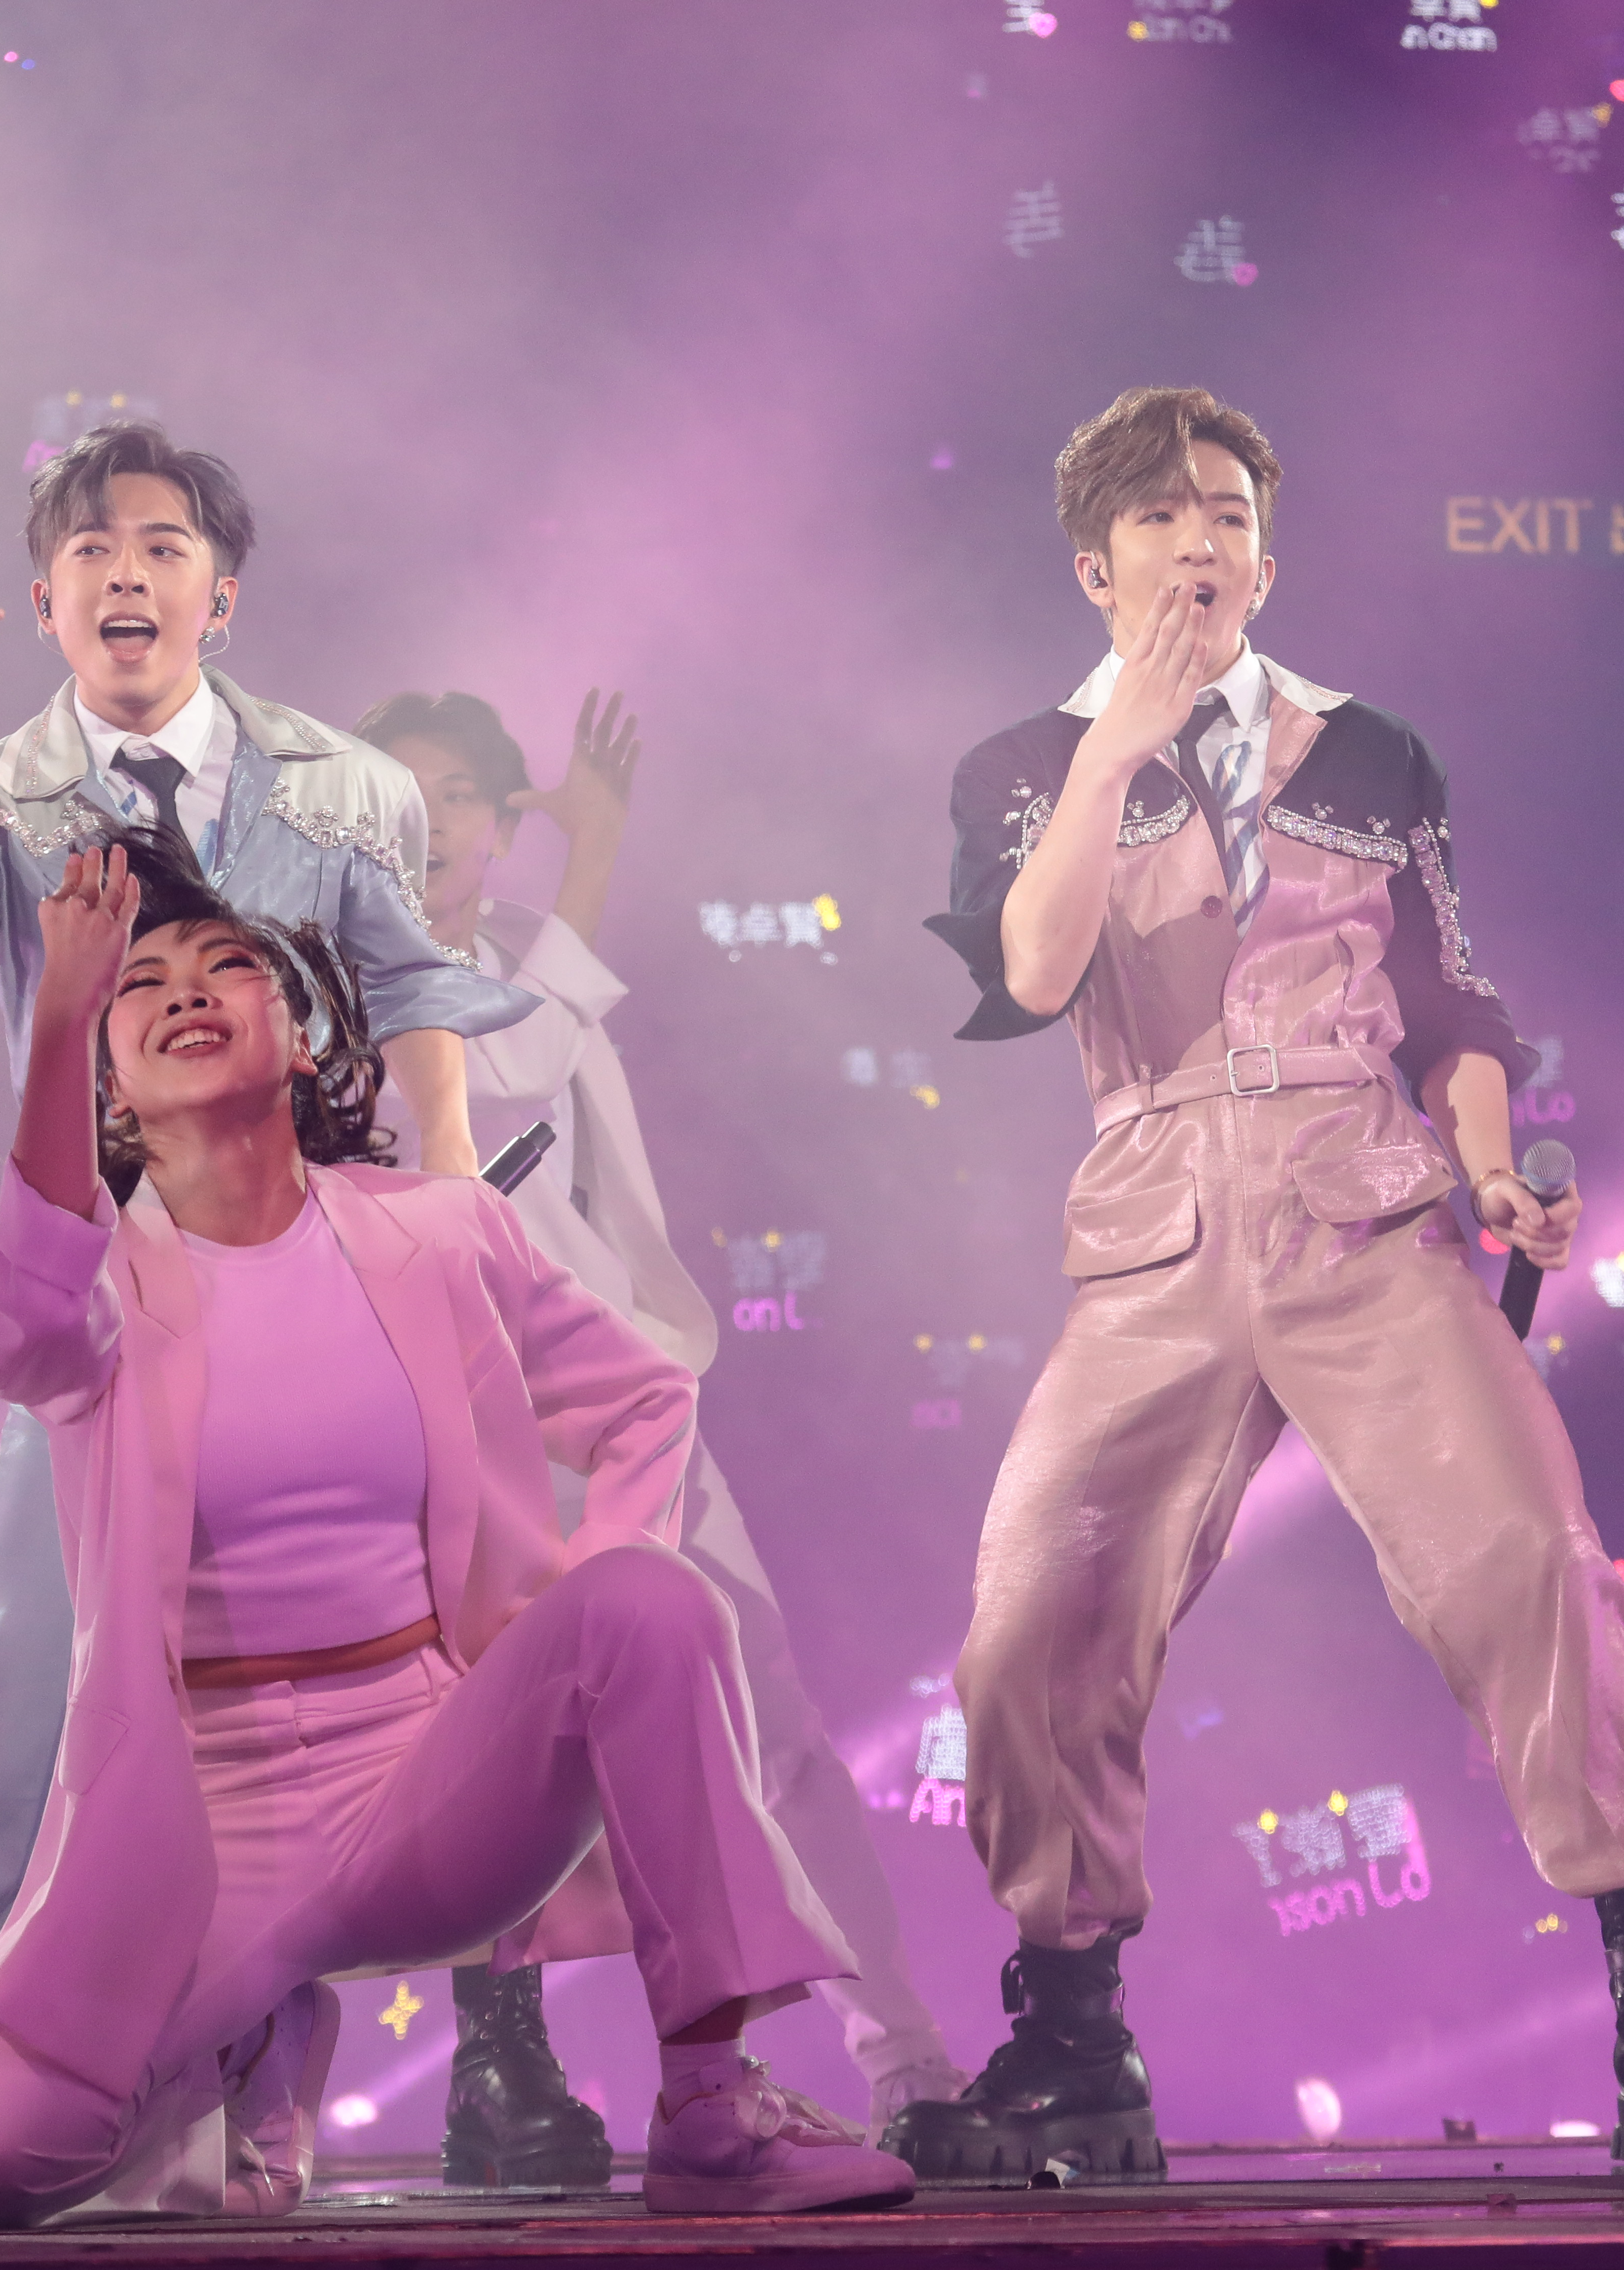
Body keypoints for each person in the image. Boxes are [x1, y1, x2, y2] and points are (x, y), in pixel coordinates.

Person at [896, 387, 1624, 2182]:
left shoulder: (1371, 752)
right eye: (1159, 515)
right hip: (1154, 1231)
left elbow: (1449, 1002)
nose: (1197, 541)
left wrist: (1496, 1168)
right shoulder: (1021, 767)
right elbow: (1034, 977)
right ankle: (1072, 2036)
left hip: (1362, 1207)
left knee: (1529, 1563)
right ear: (1094, 565)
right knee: (1029, 1623)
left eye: (1225, 512)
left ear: (1268, 558)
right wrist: (1118, 749)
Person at [0, 821, 916, 2224]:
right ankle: (250, 2046)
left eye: (226, 965)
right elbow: (16, 1325)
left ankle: (711, 2108)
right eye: (141, 987)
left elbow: (644, 1398)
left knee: (649, 1600)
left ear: (302, 1034)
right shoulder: (95, 1290)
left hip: (439, 1773)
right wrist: (58, 1009)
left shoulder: (441, 1231)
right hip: (201, 1819)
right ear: (110, 1088)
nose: (186, 991)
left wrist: (577, 1615)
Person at [0, 422, 539, 2198]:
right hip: (116, 1304)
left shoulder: (347, 787)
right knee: (23, 1668)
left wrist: (456, 1225)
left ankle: (461, 2052)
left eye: (163, 543)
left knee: (430, 1639)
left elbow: (415, 1003)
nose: (127, 570)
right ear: (46, 598)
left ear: (222, 589)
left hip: (337, 1289)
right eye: (92, 549)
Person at [354, 689, 967, 2179]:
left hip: (624, 1401)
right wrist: (596, 863)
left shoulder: (536, 964)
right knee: (486, 1753)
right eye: (400, 797)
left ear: (500, 825)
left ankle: (908, 2062)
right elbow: (493, 1074)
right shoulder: (347, 985)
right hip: (459, 1429)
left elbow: (575, 1145)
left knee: (777, 1733)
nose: (431, 826)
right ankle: (508, 2073)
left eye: (460, 796)